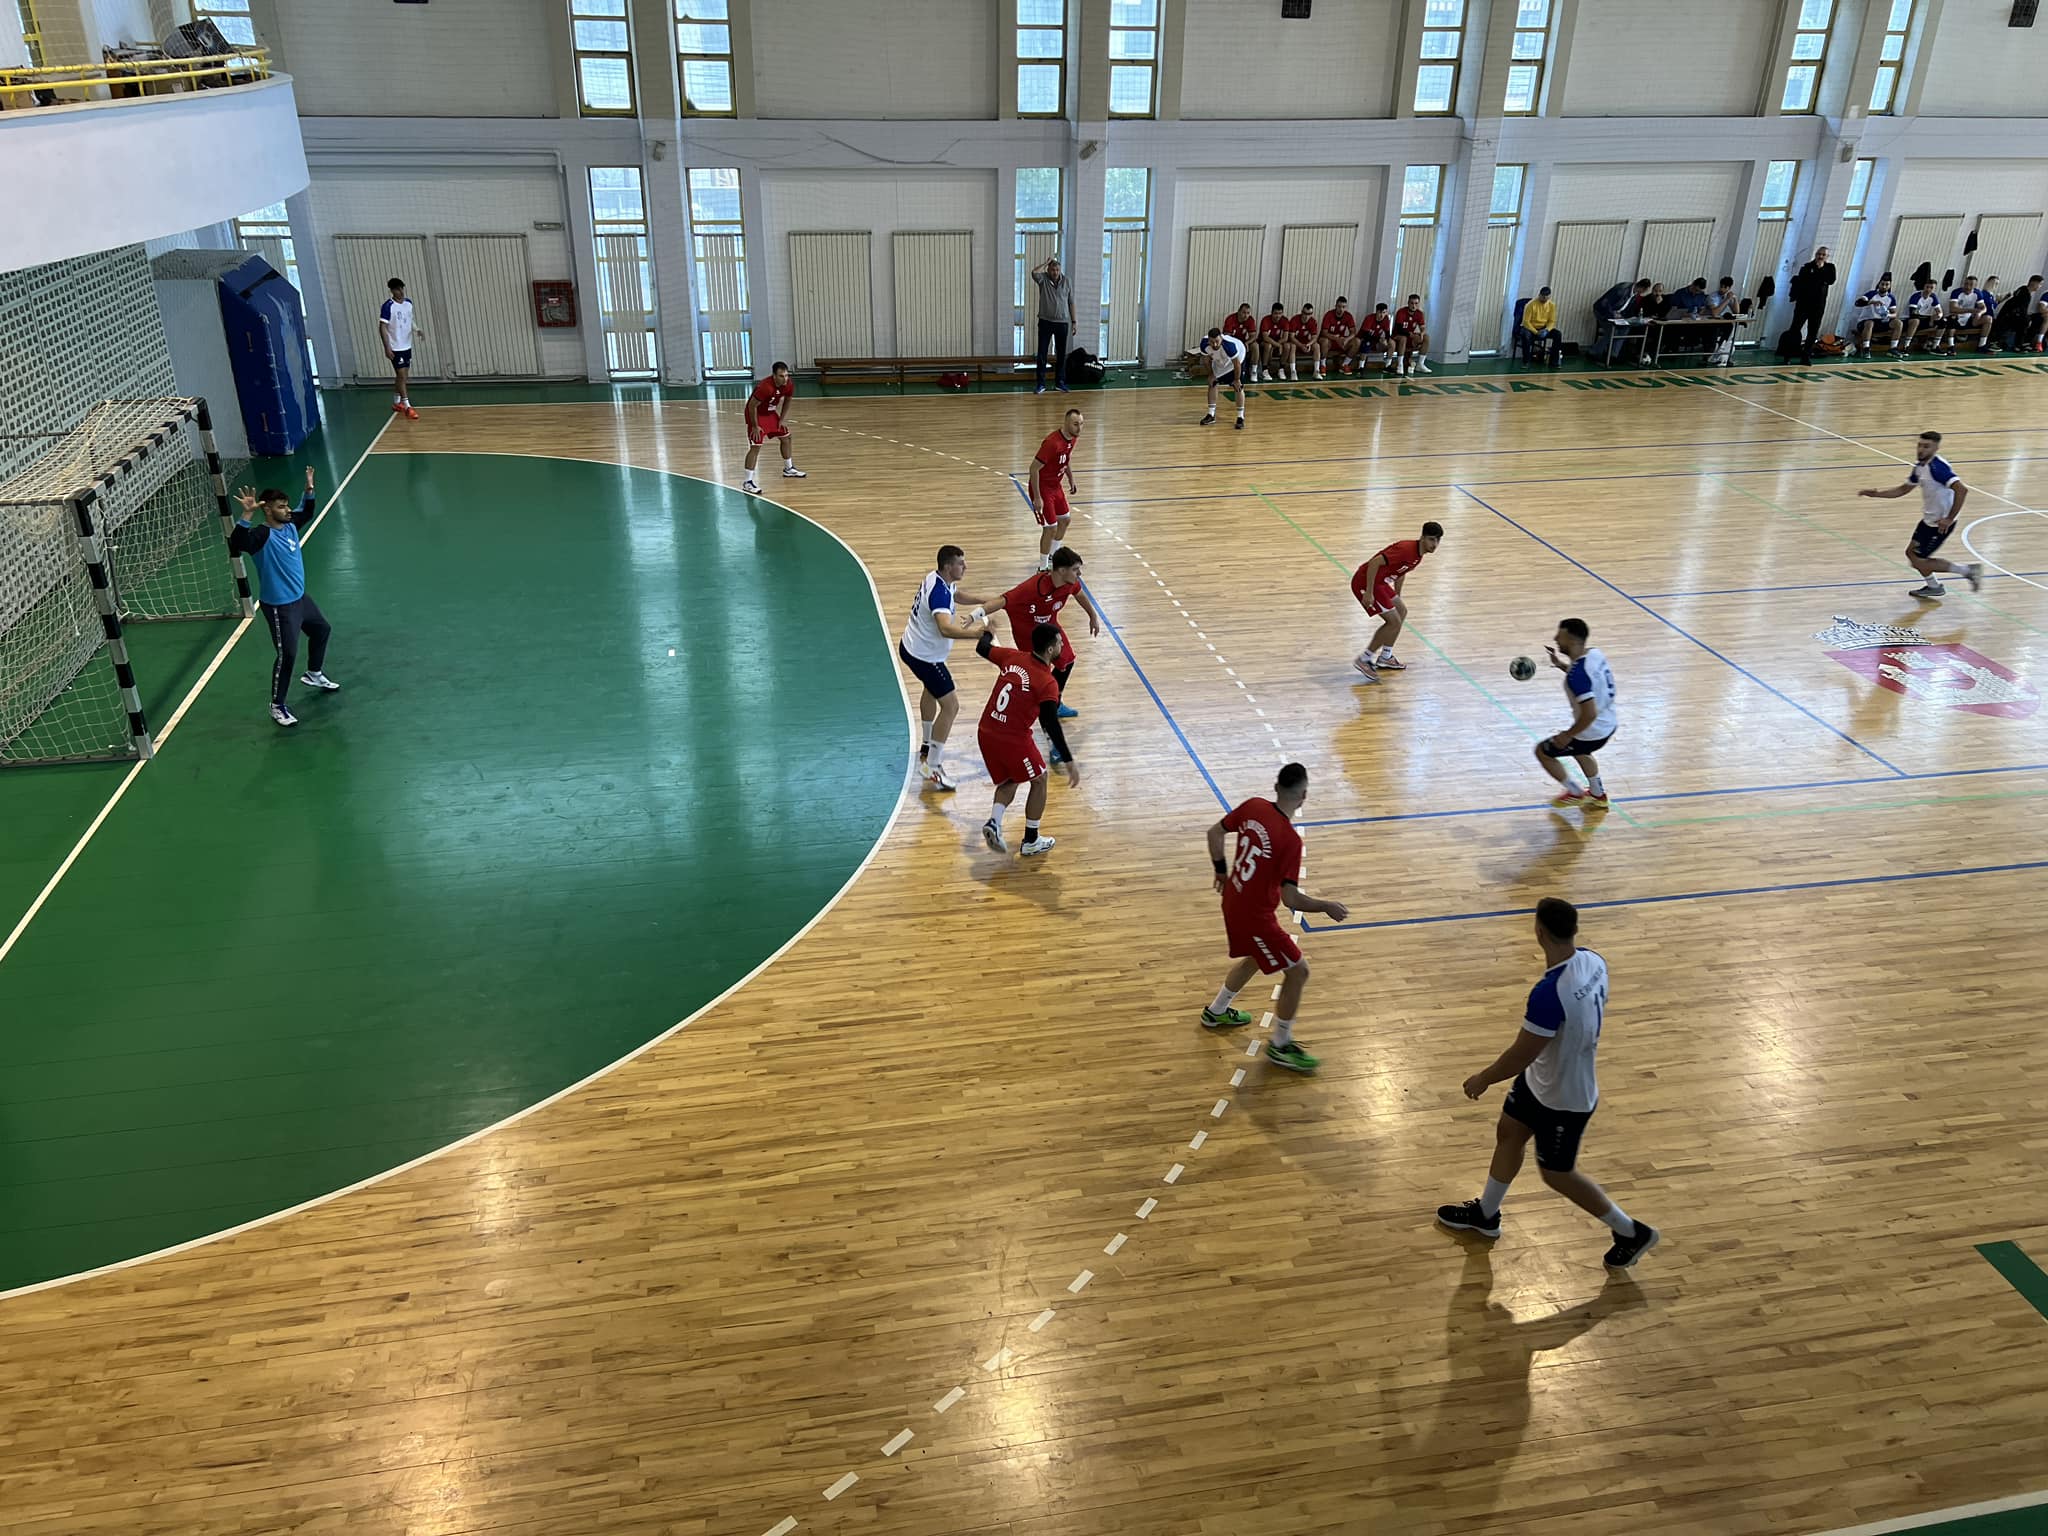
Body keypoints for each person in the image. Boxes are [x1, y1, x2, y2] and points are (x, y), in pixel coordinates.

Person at [1435, 897, 1661, 1271]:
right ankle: (1486, 1215)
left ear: (1539, 931)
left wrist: (1483, 1079)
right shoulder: (1593, 960)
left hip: (1564, 1098)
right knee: (1509, 1132)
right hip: (1541, 1080)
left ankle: (1631, 1231)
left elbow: (1520, 1055)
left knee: (1558, 1173)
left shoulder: (1549, 994)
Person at [1200, 762, 1349, 1074]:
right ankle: (1281, 1045)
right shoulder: (1290, 841)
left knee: (1257, 956)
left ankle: (1216, 1010)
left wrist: (1221, 871)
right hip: (1255, 917)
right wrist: (1325, 906)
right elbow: (1291, 899)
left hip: (1233, 899)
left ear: (1275, 787)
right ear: (1304, 796)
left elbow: (1215, 833)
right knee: (1299, 972)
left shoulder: (1254, 806)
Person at [231, 468, 339, 728]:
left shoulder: (290, 526)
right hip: (280, 607)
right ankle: (277, 705)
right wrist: (247, 514)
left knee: (322, 630)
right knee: (287, 654)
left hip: (300, 599)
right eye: (281, 507)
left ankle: (313, 673)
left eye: (287, 505)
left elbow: (307, 512)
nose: (288, 510)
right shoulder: (261, 535)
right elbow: (237, 544)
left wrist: (309, 489)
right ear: (267, 510)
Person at [974, 621, 1078, 857]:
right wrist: (1069, 760)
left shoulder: (1012, 656)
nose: (1063, 646)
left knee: (1011, 778)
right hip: (1011, 738)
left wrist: (988, 633)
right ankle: (1031, 840)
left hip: (986, 730)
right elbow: (1051, 724)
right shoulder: (1047, 682)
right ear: (1050, 650)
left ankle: (994, 822)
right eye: (1060, 643)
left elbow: (982, 648)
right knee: (1039, 779)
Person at [899, 545, 995, 792]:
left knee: (931, 690)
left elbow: (956, 594)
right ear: (948, 566)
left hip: (912, 645)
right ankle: (932, 765)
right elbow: (945, 628)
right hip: (925, 657)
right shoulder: (940, 594)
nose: (966, 567)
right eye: (961, 563)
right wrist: (977, 634)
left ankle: (927, 743)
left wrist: (981, 600)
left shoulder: (937, 579)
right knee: (951, 706)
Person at [1858, 429, 1984, 600]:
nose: (1921, 450)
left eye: (1926, 446)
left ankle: (1967, 571)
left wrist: (1949, 519)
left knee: (1919, 560)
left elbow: (1962, 490)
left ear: (1935, 448)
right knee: (1911, 554)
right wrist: (1876, 494)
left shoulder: (1937, 468)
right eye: (1920, 445)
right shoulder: (1919, 467)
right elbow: (1903, 489)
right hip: (1928, 520)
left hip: (1940, 524)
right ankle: (1934, 587)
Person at [1000, 546, 1100, 728]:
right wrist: (977, 613)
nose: (1080, 574)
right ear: (1061, 570)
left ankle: (1054, 703)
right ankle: (1038, 708)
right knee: (1038, 675)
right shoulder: (1033, 587)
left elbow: (1079, 594)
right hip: (1029, 634)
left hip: (1051, 628)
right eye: (1076, 569)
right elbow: (1003, 600)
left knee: (1066, 661)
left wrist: (1093, 616)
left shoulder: (1068, 583)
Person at [1535, 617, 1617, 809]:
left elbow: (1589, 714)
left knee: (1543, 752)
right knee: (1580, 751)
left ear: (1571, 640)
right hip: (1609, 723)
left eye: (1560, 636)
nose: (1555, 639)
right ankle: (1598, 794)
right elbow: (1585, 677)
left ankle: (1574, 792)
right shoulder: (1594, 654)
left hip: (1592, 730)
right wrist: (1560, 664)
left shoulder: (1577, 676)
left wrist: (1567, 735)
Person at [1349, 522, 1444, 682]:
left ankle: (1385, 656)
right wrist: (1369, 592)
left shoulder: (1418, 556)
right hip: (1365, 582)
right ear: (1422, 538)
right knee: (1393, 622)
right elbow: (1374, 563)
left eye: (1437, 540)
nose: (1434, 544)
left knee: (1401, 611)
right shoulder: (1406, 549)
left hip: (1381, 582)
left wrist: (1397, 596)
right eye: (1431, 539)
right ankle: (1364, 659)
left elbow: (1401, 572)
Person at [1028, 407, 1083, 570]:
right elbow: (1033, 469)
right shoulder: (1052, 443)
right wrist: (1037, 497)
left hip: (1055, 486)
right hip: (1043, 488)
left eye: (1081, 424)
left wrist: (1071, 478)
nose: (1079, 428)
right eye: (1075, 424)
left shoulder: (1072, 439)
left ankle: (1053, 554)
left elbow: (1066, 459)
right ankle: (1042, 567)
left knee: (1065, 520)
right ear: (1066, 423)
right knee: (1050, 528)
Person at [741, 361, 805, 494]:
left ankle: (788, 469)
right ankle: (747, 482)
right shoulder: (765, 387)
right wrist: (755, 426)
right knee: (756, 446)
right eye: (781, 376)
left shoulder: (789, 384)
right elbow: (752, 406)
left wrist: (781, 419)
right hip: (756, 415)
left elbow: (788, 401)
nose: (785, 379)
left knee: (786, 437)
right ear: (774, 376)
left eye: (786, 375)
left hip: (770, 414)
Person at [1030, 255, 1073, 393]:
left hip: (1062, 323)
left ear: (1060, 270)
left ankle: (1060, 383)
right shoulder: (1043, 279)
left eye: (1057, 270)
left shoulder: (1067, 281)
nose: (1055, 272)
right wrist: (1045, 263)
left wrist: (1074, 321)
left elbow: (1071, 302)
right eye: (1053, 270)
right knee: (1042, 353)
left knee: (1061, 354)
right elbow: (1034, 272)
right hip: (1045, 322)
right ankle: (1041, 384)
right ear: (1048, 270)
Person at [379, 277, 419, 419]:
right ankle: (407, 406)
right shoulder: (388, 306)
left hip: (407, 345)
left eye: (401, 288)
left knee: (403, 376)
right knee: (401, 375)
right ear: (392, 291)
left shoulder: (408, 303)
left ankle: (397, 402)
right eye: (397, 289)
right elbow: (382, 327)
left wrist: (417, 329)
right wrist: (387, 347)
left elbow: (410, 319)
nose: (400, 292)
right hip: (396, 347)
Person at [1788, 246, 1836, 363]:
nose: (1820, 256)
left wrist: (1820, 269)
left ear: (1827, 257)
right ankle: (1788, 354)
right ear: (1815, 254)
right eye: (1819, 254)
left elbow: (1831, 280)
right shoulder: (1807, 267)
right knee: (1795, 329)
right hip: (1803, 304)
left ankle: (1806, 356)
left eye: (1823, 255)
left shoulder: (1830, 268)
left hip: (1818, 305)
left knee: (1813, 331)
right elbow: (1804, 280)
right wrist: (1817, 271)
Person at [1197, 327, 1249, 429]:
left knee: (1238, 387)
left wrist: (1237, 380)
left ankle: (1240, 417)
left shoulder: (1229, 346)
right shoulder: (1204, 344)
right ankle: (1211, 415)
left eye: (1217, 341)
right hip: (1220, 360)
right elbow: (1206, 361)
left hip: (1237, 359)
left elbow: (1237, 364)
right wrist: (1211, 375)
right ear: (1208, 341)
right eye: (1212, 342)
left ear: (1221, 338)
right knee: (1212, 383)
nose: (1215, 344)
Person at [1593, 278, 1651, 363]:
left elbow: (1628, 309)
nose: (1643, 293)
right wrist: (1613, 314)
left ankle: (1613, 355)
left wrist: (1632, 318)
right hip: (1602, 312)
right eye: (1645, 291)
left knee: (1625, 329)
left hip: (1618, 315)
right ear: (1642, 288)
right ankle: (1594, 352)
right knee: (1612, 332)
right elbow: (1605, 303)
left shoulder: (1635, 294)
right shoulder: (1621, 289)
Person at [1991, 274, 2046, 352]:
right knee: (2025, 321)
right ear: (2033, 283)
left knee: (2032, 319)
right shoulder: (2024, 293)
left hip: (2012, 315)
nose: (2040, 286)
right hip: (2007, 317)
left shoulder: (2024, 291)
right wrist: (2028, 319)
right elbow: (2019, 310)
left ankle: (2022, 343)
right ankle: (2012, 344)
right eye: (2040, 284)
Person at [1850, 275, 1902, 358]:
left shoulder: (1891, 298)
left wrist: (1888, 315)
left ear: (1890, 286)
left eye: (1887, 285)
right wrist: (1872, 302)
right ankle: (1866, 348)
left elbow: (1895, 314)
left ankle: (1893, 348)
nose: (1884, 287)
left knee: (1898, 323)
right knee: (1870, 323)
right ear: (1879, 284)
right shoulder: (1871, 294)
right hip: (1865, 322)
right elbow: (1858, 303)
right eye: (1882, 284)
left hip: (1881, 322)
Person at [1947, 275, 1995, 352]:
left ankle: (1981, 346)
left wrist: (1979, 313)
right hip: (1957, 317)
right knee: (1952, 318)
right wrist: (1971, 310)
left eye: (1971, 285)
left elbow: (1984, 308)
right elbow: (1952, 309)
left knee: (1988, 319)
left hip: (1970, 319)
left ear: (1975, 286)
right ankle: (1950, 346)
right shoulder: (1956, 292)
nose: (1968, 287)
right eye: (1966, 284)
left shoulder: (1977, 293)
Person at [1900, 277, 1945, 354]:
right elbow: (1913, 314)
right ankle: (1906, 346)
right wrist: (1931, 318)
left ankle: (1935, 346)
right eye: (1927, 287)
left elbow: (1940, 312)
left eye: (1931, 288)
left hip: (1923, 319)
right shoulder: (1916, 296)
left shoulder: (1933, 297)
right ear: (1924, 287)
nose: (1928, 289)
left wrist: (1936, 316)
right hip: (1909, 320)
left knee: (1943, 321)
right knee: (1916, 321)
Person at [1519, 286, 1560, 367]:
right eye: (1542, 296)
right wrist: (1536, 332)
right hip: (1531, 328)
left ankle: (1554, 361)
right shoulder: (1531, 305)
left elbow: (1552, 321)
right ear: (1539, 295)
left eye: (1546, 297)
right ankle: (1526, 361)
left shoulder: (1552, 305)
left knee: (1558, 334)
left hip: (1543, 328)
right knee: (1526, 335)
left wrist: (1547, 330)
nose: (1544, 298)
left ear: (1549, 296)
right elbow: (1526, 322)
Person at [1392, 293, 1432, 375]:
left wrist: (1421, 333)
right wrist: (1413, 335)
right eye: (1412, 303)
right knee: (1403, 338)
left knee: (1426, 337)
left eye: (1416, 303)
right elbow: (1400, 329)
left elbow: (1422, 327)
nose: (1414, 306)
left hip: (1410, 336)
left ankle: (1420, 364)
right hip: (1398, 336)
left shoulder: (1419, 313)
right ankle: (1400, 365)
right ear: (1408, 303)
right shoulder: (1401, 312)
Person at [1320, 297, 1362, 374]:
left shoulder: (1348, 316)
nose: (1341, 309)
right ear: (1335, 306)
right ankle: (1323, 365)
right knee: (1324, 341)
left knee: (1357, 341)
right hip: (1330, 340)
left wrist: (1346, 339)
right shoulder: (1329, 315)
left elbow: (1353, 332)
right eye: (1339, 306)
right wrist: (1336, 338)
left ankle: (1345, 364)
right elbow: (1324, 332)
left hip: (1341, 341)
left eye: (1343, 307)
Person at [1258, 302, 1296, 381]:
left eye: (1280, 313)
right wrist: (1277, 345)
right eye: (1276, 313)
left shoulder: (1285, 320)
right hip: (1263, 343)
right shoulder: (1265, 320)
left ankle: (1281, 369)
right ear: (1271, 313)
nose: (1278, 316)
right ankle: (1264, 369)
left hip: (1277, 342)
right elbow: (1265, 337)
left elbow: (1285, 338)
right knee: (1268, 345)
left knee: (1287, 346)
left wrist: (1277, 344)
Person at [1223, 302, 1262, 377]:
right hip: (1232, 342)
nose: (1246, 315)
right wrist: (1239, 344)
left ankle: (1254, 371)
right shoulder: (1230, 319)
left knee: (1255, 345)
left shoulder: (1250, 320)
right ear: (1239, 311)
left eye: (1248, 313)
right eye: (1244, 312)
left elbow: (1253, 336)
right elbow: (1227, 337)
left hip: (1244, 342)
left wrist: (1247, 342)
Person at [1291, 302, 1326, 379]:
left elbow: (1314, 337)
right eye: (1305, 313)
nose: (1306, 316)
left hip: (1305, 343)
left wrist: (1308, 344)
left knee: (1316, 346)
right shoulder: (1295, 320)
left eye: (1309, 314)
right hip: (1296, 343)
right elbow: (1291, 337)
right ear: (1302, 312)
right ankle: (1293, 371)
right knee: (1292, 346)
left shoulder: (1313, 321)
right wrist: (1301, 345)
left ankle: (1316, 371)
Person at [1363, 302, 1394, 369]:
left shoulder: (1386, 319)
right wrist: (1379, 339)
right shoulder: (1369, 318)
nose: (1382, 315)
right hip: (1366, 339)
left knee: (1392, 343)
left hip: (1376, 342)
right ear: (1376, 312)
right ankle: (1361, 367)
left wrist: (1386, 340)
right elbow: (1365, 335)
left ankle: (1388, 366)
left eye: (1384, 313)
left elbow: (1387, 334)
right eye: (1380, 312)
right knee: (1366, 343)